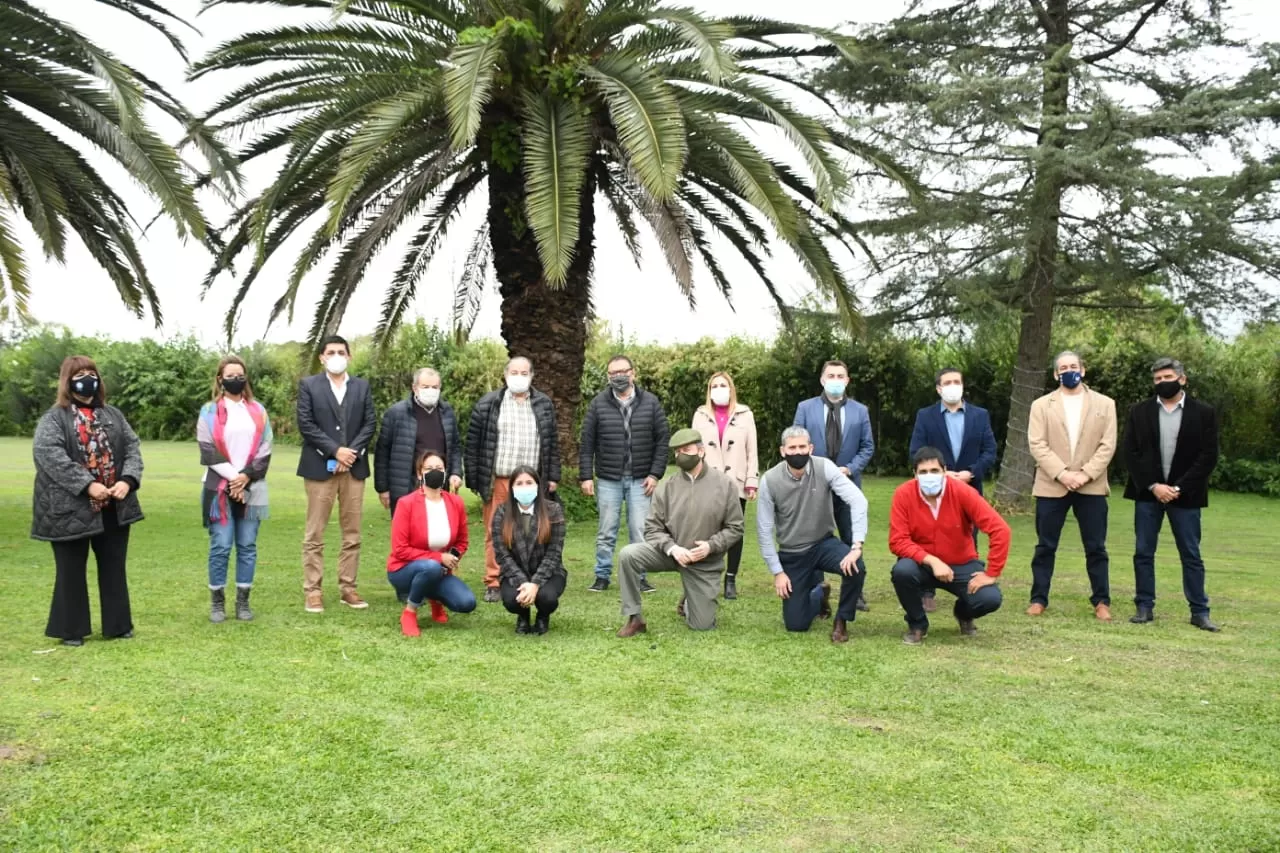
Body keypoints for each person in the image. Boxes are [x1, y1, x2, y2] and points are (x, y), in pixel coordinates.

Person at [31, 356, 144, 646]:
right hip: (69, 507)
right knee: (70, 569)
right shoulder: (54, 419)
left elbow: (132, 448)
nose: (87, 378)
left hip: (113, 505)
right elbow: (49, 456)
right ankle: (71, 629)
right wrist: (87, 485)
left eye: (91, 372)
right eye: (79, 374)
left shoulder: (113, 415)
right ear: (68, 381)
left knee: (113, 565)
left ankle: (118, 625)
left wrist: (126, 481)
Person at [1122, 357, 1221, 631]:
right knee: (1143, 551)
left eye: (1167, 378)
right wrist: (1154, 486)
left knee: (1190, 553)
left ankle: (1199, 612)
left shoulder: (1203, 413)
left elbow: (1208, 456)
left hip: (1186, 497)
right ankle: (1144, 607)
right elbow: (1130, 452)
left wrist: (1178, 488)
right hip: (1148, 494)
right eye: (1157, 379)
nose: (1161, 383)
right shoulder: (1139, 412)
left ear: (1182, 379)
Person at [615, 429, 744, 636]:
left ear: (701, 451)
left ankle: (689, 598)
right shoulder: (667, 486)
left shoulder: (725, 484)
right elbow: (652, 528)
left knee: (702, 625)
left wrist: (711, 546)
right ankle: (634, 617)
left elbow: (736, 527)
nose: (681, 455)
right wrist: (672, 548)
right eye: (677, 452)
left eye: (686, 449)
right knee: (628, 555)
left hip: (704, 561)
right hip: (671, 554)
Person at [1026, 351, 1117, 620]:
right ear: (1056, 374)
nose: (1069, 371)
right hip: (1051, 486)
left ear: (1083, 370)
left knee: (1096, 547)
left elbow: (1108, 445)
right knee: (1045, 546)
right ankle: (1038, 599)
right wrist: (1063, 474)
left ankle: (1101, 601)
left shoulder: (1106, 404)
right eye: (1063, 367)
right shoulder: (1041, 405)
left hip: (1092, 487)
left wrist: (1085, 474)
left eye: (1073, 366)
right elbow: (1037, 444)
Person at [889, 447, 1011, 645]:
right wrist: (932, 560)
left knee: (989, 599)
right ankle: (917, 624)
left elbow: (1000, 530)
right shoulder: (903, 494)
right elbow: (897, 540)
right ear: (915, 474)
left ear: (944, 471)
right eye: (923, 472)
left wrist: (992, 573)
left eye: (934, 471)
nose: (929, 476)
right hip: (922, 564)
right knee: (902, 571)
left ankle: (963, 613)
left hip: (962, 562)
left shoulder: (963, 492)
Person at [757, 427, 868, 643]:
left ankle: (841, 621)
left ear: (811, 448)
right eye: (792, 447)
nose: (797, 452)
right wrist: (777, 572)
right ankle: (819, 594)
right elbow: (764, 528)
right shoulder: (769, 480)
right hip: (792, 553)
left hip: (823, 544)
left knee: (857, 567)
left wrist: (856, 547)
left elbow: (858, 500)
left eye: (802, 447)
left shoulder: (825, 467)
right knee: (796, 625)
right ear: (782, 451)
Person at [466, 356, 561, 603]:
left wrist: (552, 476)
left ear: (532, 376)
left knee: (535, 529)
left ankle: (531, 578)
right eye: (514, 372)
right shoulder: (488, 404)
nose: (519, 376)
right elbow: (473, 444)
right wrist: (476, 479)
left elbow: (551, 443)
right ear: (506, 374)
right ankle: (494, 581)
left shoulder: (543, 404)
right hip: (499, 479)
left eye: (524, 372)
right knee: (494, 530)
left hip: (532, 481)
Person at [296, 335, 376, 613]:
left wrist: (349, 453)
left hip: (354, 469)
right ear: (322, 357)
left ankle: (348, 588)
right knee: (314, 533)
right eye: (331, 352)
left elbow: (369, 423)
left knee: (352, 533)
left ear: (350, 356)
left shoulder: (362, 387)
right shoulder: (309, 386)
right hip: (320, 469)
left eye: (341, 351)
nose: (336, 356)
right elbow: (306, 423)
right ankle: (313, 591)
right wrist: (334, 451)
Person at [908, 367, 998, 613]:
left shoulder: (980, 415)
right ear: (938, 388)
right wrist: (941, 474)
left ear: (963, 385)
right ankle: (927, 590)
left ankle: (970, 587)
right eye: (947, 382)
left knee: (970, 536)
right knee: (928, 533)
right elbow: (916, 450)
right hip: (933, 485)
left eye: (956, 381)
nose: (952, 385)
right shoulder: (926, 416)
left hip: (969, 485)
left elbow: (990, 450)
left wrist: (970, 472)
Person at [579, 354, 669, 593]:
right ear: (608, 377)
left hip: (641, 479)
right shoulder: (598, 404)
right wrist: (586, 475)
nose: (619, 376)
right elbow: (587, 443)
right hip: (609, 479)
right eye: (613, 373)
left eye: (623, 371)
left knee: (639, 530)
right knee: (606, 530)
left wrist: (655, 474)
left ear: (633, 373)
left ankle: (639, 577)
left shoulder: (651, 402)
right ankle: (602, 575)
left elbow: (662, 441)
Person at [197, 355, 273, 623]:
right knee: (221, 544)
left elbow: (265, 449)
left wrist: (245, 478)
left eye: (239, 374)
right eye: (229, 375)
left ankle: (243, 601)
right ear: (220, 379)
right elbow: (207, 450)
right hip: (218, 487)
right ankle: (217, 602)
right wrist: (234, 479)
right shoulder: (208, 411)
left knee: (247, 545)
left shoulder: (258, 410)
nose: (235, 379)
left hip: (253, 486)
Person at [793, 360, 874, 610]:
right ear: (822, 379)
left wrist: (849, 468)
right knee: (814, 538)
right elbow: (796, 443)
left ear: (847, 380)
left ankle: (855, 590)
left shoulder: (861, 411)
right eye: (831, 375)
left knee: (851, 536)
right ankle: (818, 590)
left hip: (848, 483)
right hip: (814, 486)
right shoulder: (805, 408)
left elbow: (867, 446)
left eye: (841, 375)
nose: (836, 379)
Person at [388, 450, 476, 636]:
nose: (435, 471)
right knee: (431, 567)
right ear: (420, 473)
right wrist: (438, 558)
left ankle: (435, 600)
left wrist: (452, 557)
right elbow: (399, 549)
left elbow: (462, 540)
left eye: (439, 468)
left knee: (466, 603)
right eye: (429, 468)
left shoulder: (455, 503)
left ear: (445, 472)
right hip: (404, 570)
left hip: (439, 570)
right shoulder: (406, 503)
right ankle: (410, 612)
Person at [692, 371, 758, 599]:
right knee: (708, 528)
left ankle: (731, 578)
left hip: (736, 481)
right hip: (708, 481)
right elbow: (694, 449)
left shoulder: (745, 414)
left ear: (731, 388)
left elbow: (752, 449)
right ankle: (708, 574)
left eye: (723, 385)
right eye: (715, 385)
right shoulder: (700, 414)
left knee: (735, 531)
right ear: (709, 391)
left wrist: (751, 480)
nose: (719, 389)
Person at [375, 367, 463, 515]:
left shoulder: (447, 412)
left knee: (438, 534)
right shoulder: (396, 413)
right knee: (406, 534)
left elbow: (454, 447)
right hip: (405, 488)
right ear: (415, 388)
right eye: (425, 387)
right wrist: (383, 488)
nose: (431, 390)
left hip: (439, 487)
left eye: (435, 387)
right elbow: (382, 453)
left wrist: (456, 473)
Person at [492, 465, 567, 635]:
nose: (524, 487)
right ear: (511, 488)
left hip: (549, 572)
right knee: (512, 600)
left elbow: (554, 553)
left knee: (546, 598)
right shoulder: (501, 513)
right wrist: (523, 582)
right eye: (519, 483)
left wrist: (535, 584)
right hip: (515, 572)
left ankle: (542, 616)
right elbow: (502, 554)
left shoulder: (553, 510)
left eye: (529, 482)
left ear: (538, 486)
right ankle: (523, 616)